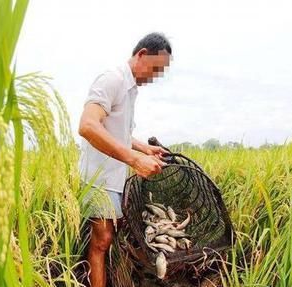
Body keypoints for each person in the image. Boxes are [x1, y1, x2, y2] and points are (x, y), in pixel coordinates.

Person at [78, 32, 172, 286]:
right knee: (102, 240)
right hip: (99, 176)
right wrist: (134, 160)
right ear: (141, 54)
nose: (154, 77)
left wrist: (144, 149)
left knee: (109, 237)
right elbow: (87, 126)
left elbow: (119, 133)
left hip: (115, 176)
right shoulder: (113, 79)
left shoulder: (130, 90)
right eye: (155, 69)